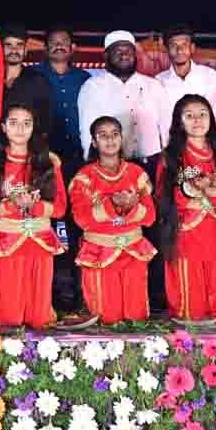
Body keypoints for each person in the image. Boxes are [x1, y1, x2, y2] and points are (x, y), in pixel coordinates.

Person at [0, 102, 67, 328]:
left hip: (39, 241)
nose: (20, 129)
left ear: (34, 127)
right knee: (8, 316)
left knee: (39, 316)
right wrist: (12, 205)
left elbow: (60, 208)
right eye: (14, 123)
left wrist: (35, 207)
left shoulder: (49, 162)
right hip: (7, 242)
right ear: (4, 128)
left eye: (26, 123)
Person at [156, 95, 216, 323]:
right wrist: (190, 192)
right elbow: (163, 197)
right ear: (179, 122)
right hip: (187, 232)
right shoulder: (171, 157)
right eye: (189, 116)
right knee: (191, 310)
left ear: (212, 119)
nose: (197, 120)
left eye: (203, 114)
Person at [69, 115, 157, 324]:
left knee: (136, 317)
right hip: (99, 252)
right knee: (106, 318)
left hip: (133, 252)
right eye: (103, 135)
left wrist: (131, 206)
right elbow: (82, 219)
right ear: (93, 142)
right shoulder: (84, 177)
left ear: (122, 138)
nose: (110, 140)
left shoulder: (137, 174)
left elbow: (151, 217)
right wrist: (113, 205)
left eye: (115, 134)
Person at [31, 26, 92, 310]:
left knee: (75, 220)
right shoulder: (35, 76)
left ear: (73, 47)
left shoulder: (85, 79)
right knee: (49, 218)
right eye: (53, 43)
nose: (58, 47)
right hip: (44, 160)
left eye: (63, 43)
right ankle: (50, 286)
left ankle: (77, 286)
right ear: (46, 48)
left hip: (78, 159)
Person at [77, 30, 171, 170]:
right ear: (106, 55)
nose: (124, 55)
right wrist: (91, 164)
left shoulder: (153, 85)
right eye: (117, 51)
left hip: (152, 163)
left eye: (128, 51)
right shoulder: (93, 87)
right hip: (111, 165)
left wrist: (169, 158)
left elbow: (166, 126)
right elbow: (87, 130)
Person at [155, 25, 216, 132]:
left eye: (184, 45)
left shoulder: (210, 76)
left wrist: (212, 146)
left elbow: (215, 116)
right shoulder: (158, 81)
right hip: (173, 144)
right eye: (173, 45)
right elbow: (161, 123)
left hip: (202, 143)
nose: (179, 50)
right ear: (166, 49)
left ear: (192, 48)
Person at [0, 23, 52, 140]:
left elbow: (45, 125)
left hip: (27, 149)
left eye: (19, 45)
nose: (14, 50)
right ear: (0, 48)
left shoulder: (38, 81)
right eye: (8, 45)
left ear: (25, 50)